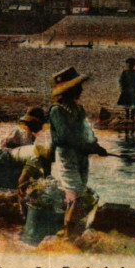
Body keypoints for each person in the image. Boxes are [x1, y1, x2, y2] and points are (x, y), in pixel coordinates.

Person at [48, 66, 108, 238]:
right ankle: (69, 235)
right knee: (76, 197)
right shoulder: (57, 111)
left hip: (82, 158)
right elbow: (64, 137)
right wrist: (86, 146)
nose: (81, 90)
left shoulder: (79, 110)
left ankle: (71, 232)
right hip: (66, 157)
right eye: (77, 87)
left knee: (78, 193)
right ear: (69, 90)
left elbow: (86, 131)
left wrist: (96, 146)